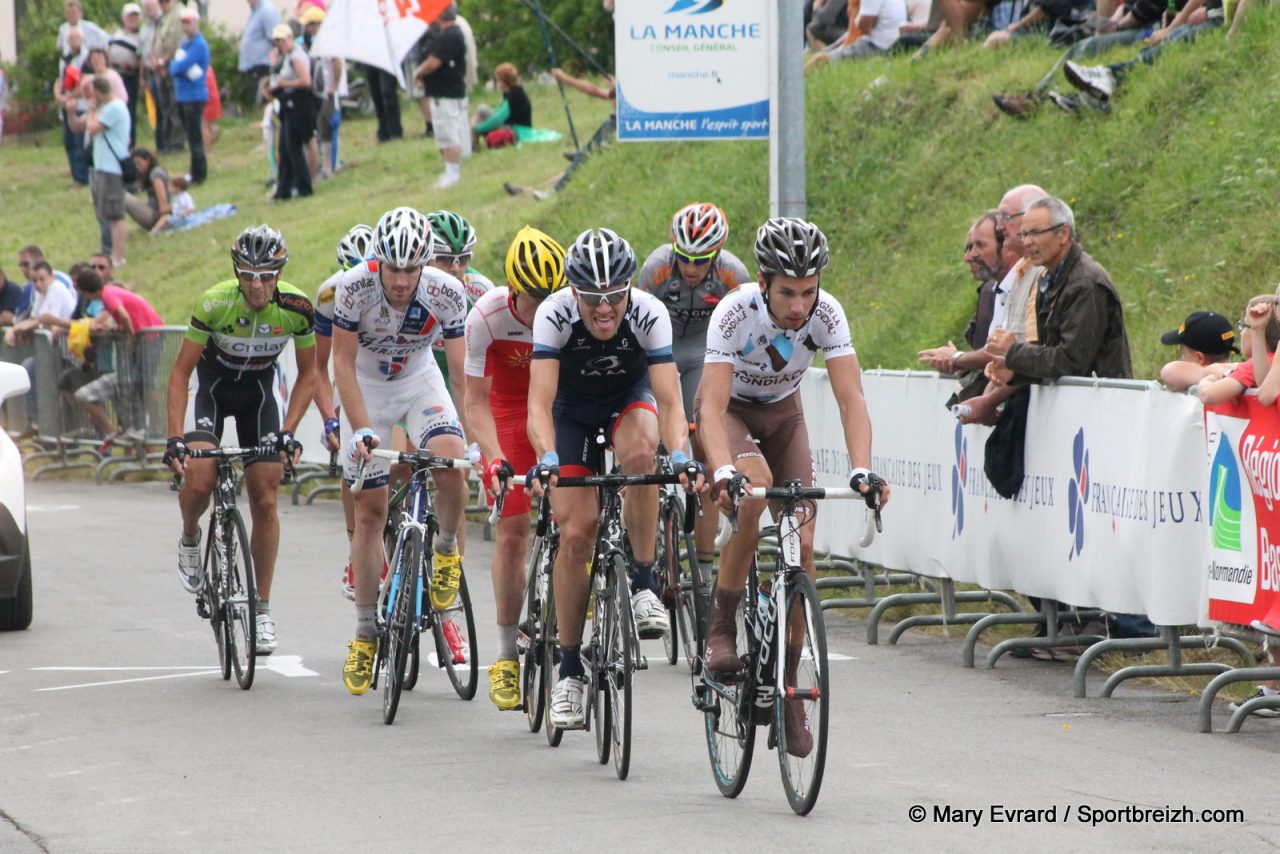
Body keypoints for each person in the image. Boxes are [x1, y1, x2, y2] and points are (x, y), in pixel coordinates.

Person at [698, 217, 887, 757]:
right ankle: (720, 629)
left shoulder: (827, 313)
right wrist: (722, 471)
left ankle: (789, 693)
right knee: (753, 492)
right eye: (788, 293)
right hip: (732, 413)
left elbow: (852, 399)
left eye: (808, 291)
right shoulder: (734, 312)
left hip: (784, 417)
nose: (800, 305)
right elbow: (709, 407)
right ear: (763, 282)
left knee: (803, 537)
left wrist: (861, 467)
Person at [526, 227, 704, 729]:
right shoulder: (553, 314)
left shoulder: (649, 312)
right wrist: (545, 456)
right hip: (572, 413)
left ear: (629, 288)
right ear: (573, 292)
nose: (604, 309)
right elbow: (538, 402)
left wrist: (684, 455)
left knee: (643, 457)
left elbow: (670, 401)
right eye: (591, 298)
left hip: (629, 401)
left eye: (613, 297)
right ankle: (567, 671)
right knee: (577, 531)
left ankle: (645, 581)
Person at [332, 208, 469, 697]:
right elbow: (342, 365)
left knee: (453, 465)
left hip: (417, 380)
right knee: (369, 513)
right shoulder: (353, 287)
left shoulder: (446, 292)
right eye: (393, 269)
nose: (402, 280)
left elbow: (458, 374)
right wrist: (362, 428)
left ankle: (446, 548)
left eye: (412, 269)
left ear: (425, 265)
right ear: (379, 262)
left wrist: (471, 438)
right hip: (366, 385)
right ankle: (366, 632)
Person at [162, 225, 317, 656]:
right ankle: (191, 535)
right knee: (200, 477)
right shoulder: (214, 303)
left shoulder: (297, 309)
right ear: (236, 272)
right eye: (248, 275)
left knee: (265, 498)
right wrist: (175, 437)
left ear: (279, 273)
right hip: (214, 390)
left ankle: (261, 610)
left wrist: (288, 430)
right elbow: (180, 374)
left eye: (267, 276)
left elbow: (310, 375)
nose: (257, 285)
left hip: (258, 397)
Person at [464, 226, 567, 711]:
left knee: (580, 517)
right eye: (535, 301)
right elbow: (475, 403)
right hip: (507, 411)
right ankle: (505, 655)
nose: (545, 310)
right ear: (513, 291)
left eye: (553, 297)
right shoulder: (485, 317)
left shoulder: (574, 309)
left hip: (559, 408)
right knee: (512, 532)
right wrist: (493, 457)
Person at [635, 202, 750, 566]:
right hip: (662, 352)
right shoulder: (655, 269)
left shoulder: (734, 274)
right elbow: (636, 328)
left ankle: (702, 565)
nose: (691, 268)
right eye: (684, 258)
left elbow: (741, 330)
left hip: (703, 353)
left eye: (702, 261)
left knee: (702, 445)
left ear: (717, 254)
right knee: (648, 439)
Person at [984, 197, 1132, 385]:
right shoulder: (1048, 279)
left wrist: (1013, 353)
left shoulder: (1085, 283)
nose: (1028, 242)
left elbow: (1071, 361)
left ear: (1063, 233)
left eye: (1036, 233)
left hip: (1100, 404)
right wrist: (1013, 372)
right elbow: (1051, 359)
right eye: (1024, 234)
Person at [952, 184, 1048, 425]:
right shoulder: (1016, 278)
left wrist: (958, 359)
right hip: (1012, 413)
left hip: (1034, 415)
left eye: (979, 245)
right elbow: (1003, 358)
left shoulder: (1040, 275)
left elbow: (1037, 355)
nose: (1001, 225)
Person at [314, 223, 375, 600]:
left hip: (390, 372)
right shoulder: (329, 294)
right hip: (352, 373)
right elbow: (321, 367)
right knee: (353, 453)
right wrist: (329, 418)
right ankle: (357, 548)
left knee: (399, 463)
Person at [67, 266, 162, 447]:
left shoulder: (107, 296)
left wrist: (131, 336)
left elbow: (124, 316)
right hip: (147, 336)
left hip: (151, 337)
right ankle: (140, 426)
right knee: (135, 381)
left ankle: (152, 427)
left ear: (84, 292)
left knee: (143, 382)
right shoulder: (109, 291)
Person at [917, 210, 1009, 378]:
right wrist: (962, 362)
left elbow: (1000, 356)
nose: (969, 256)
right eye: (969, 247)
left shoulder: (994, 291)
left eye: (979, 245)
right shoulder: (991, 290)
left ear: (1006, 246)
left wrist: (957, 358)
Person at [4, 260, 79, 438]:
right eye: (34, 281)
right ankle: (37, 423)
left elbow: (43, 320)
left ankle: (52, 428)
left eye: (41, 280)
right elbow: (36, 318)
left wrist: (18, 328)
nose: (37, 284)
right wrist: (22, 327)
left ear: (51, 277)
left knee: (35, 372)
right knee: (29, 369)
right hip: (52, 351)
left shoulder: (57, 290)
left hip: (68, 352)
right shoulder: (39, 293)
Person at [70, 76, 132, 267]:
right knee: (104, 213)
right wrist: (71, 112)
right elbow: (78, 127)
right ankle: (110, 252)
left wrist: (90, 110)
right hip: (101, 167)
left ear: (98, 92)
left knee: (116, 214)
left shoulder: (115, 107)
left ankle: (118, 257)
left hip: (112, 168)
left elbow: (92, 128)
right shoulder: (104, 109)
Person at [413, 2, 468, 189]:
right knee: (446, 134)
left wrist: (418, 73)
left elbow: (433, 62)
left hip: (446, 94)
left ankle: (452, 174)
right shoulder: (452, 34)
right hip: (445, 92)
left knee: (449, 134)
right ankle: (450, 171)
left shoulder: (448, 36)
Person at [1196, 296, 1278, 404]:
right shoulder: (1272, 363)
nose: (1241, 332)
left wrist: (1207, 380)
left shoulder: (1254, 366)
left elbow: (1209, 395)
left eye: (1244, 326)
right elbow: (1213, 368)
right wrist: (1226, 373)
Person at [267, 24, 313, 200]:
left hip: (298, 103)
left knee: (293, 147)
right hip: (288, 104)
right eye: (277, 41)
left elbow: (305, 81)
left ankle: (303, 186)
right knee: (285, 148)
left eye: (282, 40)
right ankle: (284, 188)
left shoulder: (296, 56)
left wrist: (283, 84)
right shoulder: (286, 57)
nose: (279, 44)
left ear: (290, 39)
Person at [168, 7, 209, 184]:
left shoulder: (199, 44)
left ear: (196, 23)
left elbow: (178, 66)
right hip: (183, 96)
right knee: (190, 137)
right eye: (183, 22)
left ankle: (199, 174)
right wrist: (179, 66)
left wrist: (179, 65)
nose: (186, 26)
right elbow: (174, 67)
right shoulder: (185, 43)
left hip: (194, 96)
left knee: (195, 138)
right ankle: (194, 171)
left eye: (189, 22)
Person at [806, 0, 908, 71]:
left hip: (876, 45)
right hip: (894, 41)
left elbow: (864, 28)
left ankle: (796, 81)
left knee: (820, 60)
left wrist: (817, 5)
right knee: (827, 50)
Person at [1158, 311, 1237, 392]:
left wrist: (1218, 373)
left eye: (1183, 354)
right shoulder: (1244, 375)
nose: (1181, 359)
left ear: (1200, 358)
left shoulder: (1215, 382)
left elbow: (1169, 372)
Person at [149, 0, 186, 153]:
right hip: (159, 67)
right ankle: (168, 142)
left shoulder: (179, 13)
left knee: (174, 106)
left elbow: (176, 43)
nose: (162, 4)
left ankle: (177, 143)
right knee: (165, 108)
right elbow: (155, 41)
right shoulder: (164, 17)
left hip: (171, 65)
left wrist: (163, 62)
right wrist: (154, 61)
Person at [57, 27, 91, 188]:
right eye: (70, 38)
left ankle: (82, 177)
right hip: (66, 105)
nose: (73, 41)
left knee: (79, 143)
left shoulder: (87, 59)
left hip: (81, 104)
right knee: (69, 142)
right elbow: (59, 79)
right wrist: (59, 96)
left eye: (76, 38)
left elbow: (85, 83)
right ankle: (75, 174)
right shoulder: (65, 58)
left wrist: (69, 97)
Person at [471, 63, 531, 150]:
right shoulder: (511, 93)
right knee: (480, 115)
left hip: (516, 131)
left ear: (503, 81)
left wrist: (476, 128)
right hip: (512, 127)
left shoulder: (514, 95)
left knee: (482, 109)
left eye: (498, 79)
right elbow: (498, 113)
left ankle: (471, 143)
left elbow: (497, 119)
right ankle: (472, 142)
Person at [109, 3, 144, 147]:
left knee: (128, 108)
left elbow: (141, 59)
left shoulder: (140, 36)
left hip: (130, 75)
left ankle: (130, 141)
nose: (133, 19)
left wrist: (141, 76)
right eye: (130, 16)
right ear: (124, 18)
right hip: (115, 73)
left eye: (136, 16)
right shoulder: (116, 33)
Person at [238, 0, 282, 98]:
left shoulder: (267, 10)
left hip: (262, 66)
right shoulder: (256, 11)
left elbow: (276, 38)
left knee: (261, 100)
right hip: (253, 67)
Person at [123, 146, 171, 231]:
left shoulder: (155, 175)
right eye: (135, 164)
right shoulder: (158, 171)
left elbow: (164, 206)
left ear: (148, 159)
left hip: (155, 218)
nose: (137, 167)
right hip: (153, 213)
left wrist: (159, 226)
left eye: (139, 163)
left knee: (121, 196)